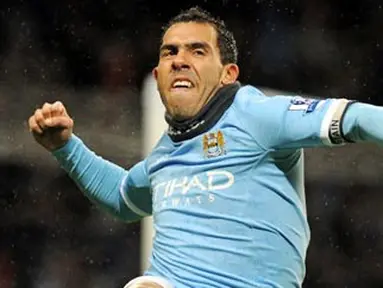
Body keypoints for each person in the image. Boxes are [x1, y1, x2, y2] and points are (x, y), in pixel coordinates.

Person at [28, 6, 383, 288]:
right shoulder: (164, 155)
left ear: (229, 74)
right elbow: (123, 199)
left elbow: (355, 118)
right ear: (158, 75)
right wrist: (66, 147)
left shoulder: (255, 114)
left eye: (197, 50)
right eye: (170, 52)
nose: (179, 59)